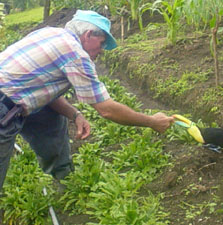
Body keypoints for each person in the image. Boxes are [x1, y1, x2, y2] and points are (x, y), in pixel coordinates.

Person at [0, 10, 174, 190]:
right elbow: (106, 109)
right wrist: (152, 122)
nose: (101, 51)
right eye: (101, 44)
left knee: (51, 118)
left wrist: (75, 115)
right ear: (88, 35)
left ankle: (65, 181)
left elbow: (41, 89)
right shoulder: (75, 53)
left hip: (11, 100)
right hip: (4, 109)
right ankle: (65, 183)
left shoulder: (49, 33)